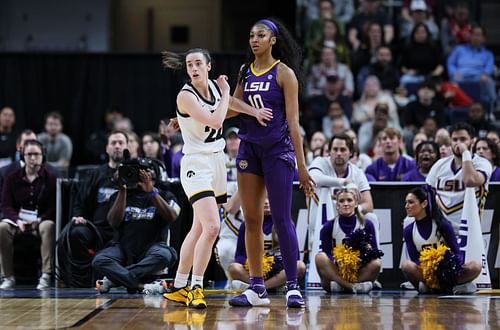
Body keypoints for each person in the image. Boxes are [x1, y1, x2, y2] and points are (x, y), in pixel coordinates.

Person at [161, 48, 272, 309]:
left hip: (216, 161)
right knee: (212, 227)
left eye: (198, 63)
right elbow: (215, 119)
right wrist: (225, 92)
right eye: (189, 64)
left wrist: (252, 112)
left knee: (199, 228)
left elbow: (230, 105)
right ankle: (195, 287)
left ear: (209, 66)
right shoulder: (185, 96)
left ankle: (178, 286)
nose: (194, 68)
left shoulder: (211, 86)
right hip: (196, 164)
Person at [228, 18, 315, 308]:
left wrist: (302, 167)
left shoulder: (284, 73)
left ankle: (292, 286)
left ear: (273, 40)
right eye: (251, 35)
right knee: (251, 220)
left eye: (261, 35)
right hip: (249, 149)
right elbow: (230, 109)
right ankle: (256, 289)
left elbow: (294, 122)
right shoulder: (245, 72)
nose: (254, 40)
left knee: (281, 218)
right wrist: (195, 114)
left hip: (278, 151)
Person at [92, 158, 179, 294]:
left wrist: (151, 192)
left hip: (153, 247)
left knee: (165, 255)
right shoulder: (119, 196)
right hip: (122, 248)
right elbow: (113, 222)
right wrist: (122, 191)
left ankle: (115, 279)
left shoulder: (165, 195)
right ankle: (141, 286)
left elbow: (172, 216)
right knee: (99, 260)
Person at [64, 130, 128, 287]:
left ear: (127, 147)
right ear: (107, 148)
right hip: (98, 228)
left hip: (125, 230)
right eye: (113, 143)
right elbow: (81, 201)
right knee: (77, 233)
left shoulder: (134, 173)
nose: (117, 146)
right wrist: (78, 216)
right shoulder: (95, 174)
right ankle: (81, 280)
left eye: (121, 143)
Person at [0, 139, 57, 290]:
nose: (33, 158)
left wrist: (40, 220)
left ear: (43, 156)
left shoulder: (50, 178)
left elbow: (53, 207)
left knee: (49, 225)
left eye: (36, 154)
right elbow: (5, 205)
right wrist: (16, 220)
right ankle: (8, 276)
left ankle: (46, 274)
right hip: (18, 222)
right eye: (29, 154)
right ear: (22, 156)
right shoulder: (11, 177)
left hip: (40, 221)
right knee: (2, 227)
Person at [402, 187, 481, 294]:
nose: (406, 206)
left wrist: (448, 266)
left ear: (424, 204)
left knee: (476, 266)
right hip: (427, 273)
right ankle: (438, 287)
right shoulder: (408, 230)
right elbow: (414, 258)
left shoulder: (443, 225)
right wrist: (431, 267)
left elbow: (457, 253)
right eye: (406, 203)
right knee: (406, 265)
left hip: (447, 273)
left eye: (411, 202)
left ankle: (444, 286)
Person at [426, 123, 492, 234]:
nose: (458, 143)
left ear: (472, 141)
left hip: (470, 232)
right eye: (455, 139)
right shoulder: (440, 165)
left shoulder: (482, 163)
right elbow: (427, 193)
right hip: (440, 232)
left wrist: (465, 153)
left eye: (463, 139)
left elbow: (470, 180)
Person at [228, 197, 306, 291]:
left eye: (269, 198)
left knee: (300, 266)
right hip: (254, 269)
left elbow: (294, 255)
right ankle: (266, 285)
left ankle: (259, 287)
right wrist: (249, 264)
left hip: (278, 270)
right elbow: (240, 255)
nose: (266, 202)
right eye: (263, 199)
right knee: (233, 268)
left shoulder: (286, 224)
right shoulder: (246, 224)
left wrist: (273, 265)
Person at [315, 185, 382, 293]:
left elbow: (375, 252)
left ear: (356, 204)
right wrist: (338, 261)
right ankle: (352, 287)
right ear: (337, 205)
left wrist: (365, 254)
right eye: (342, 201)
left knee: (376, 263)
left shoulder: (366, 224)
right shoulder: (329, 226)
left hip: (358, 271)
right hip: (336, 272)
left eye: (349, 200)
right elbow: (326, 252)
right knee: (320, 257)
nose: (346, 204)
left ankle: (343, 287)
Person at [37, 111, 73, 176]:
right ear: (45, 125)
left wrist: (44, 164)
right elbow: (36, 161)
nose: (53, 127)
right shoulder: (39, 139)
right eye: (50, 124)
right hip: (41, 176)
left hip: (60, 176)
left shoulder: (66, 141)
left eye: (56, 124)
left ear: (61, 126)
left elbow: (64, 164)